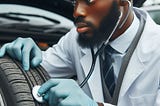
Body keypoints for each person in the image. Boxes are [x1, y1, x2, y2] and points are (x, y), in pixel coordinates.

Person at [0, 0, 160, 105]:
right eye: (76, 1)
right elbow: (38, 73)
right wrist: (23, 57)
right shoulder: (77, 38)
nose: (77, 12)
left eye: (89, 1)